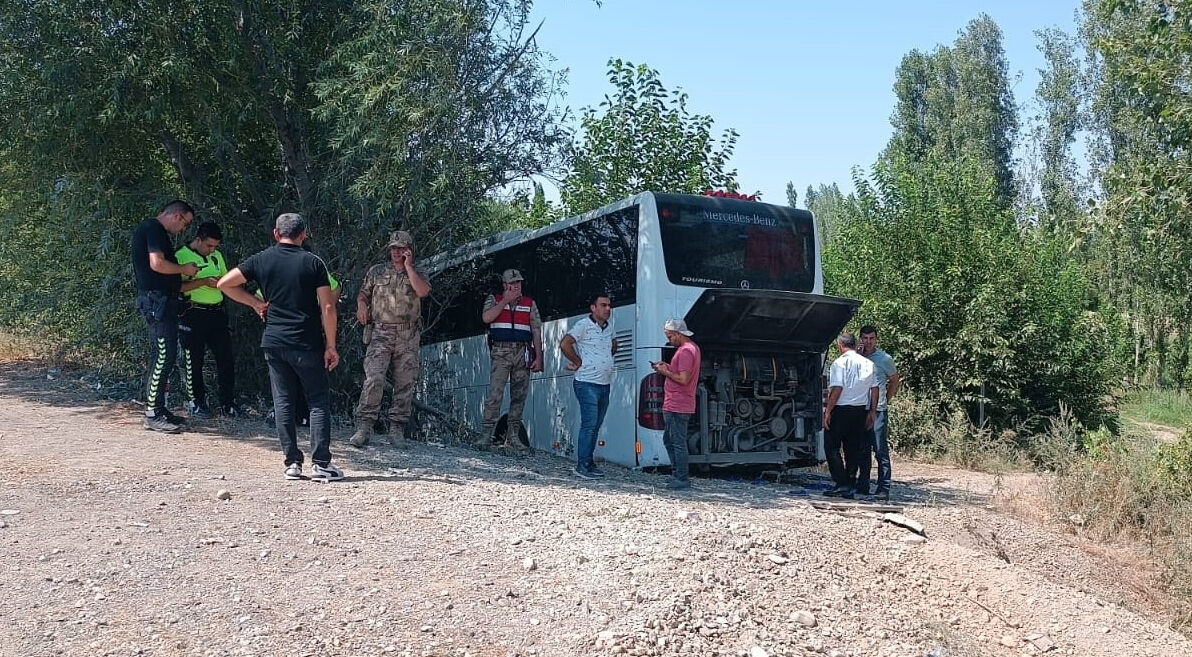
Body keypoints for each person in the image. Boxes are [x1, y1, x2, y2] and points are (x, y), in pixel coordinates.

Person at [217, 213, 344, 482]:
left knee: (283, 401)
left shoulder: (261, 259)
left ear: (276, 233)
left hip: (274, 341)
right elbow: (328, 306)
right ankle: (321, 463)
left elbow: (224, 284)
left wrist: (254, 302)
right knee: (317, 401)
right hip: (306, 342)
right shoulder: (313, 263)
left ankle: (292, 464)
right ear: (303, 235)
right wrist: (331, 345)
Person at [350, 230, 432, 448]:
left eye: (401, 248)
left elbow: (423, 292)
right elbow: (363, 293)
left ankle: (396, 430)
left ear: (409, 250)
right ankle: (364, 427)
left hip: (407, 335)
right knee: (374, 378)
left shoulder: (418, 271)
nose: (396, 252)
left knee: (405, 383)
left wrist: (408, 267)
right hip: (380, 333)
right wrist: (361, 305)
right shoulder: (377, 272)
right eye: (393, 248)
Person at [131, 200, 198, 433]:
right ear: (177, 215)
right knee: (164, 354)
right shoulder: (152, 229)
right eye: (185, 223)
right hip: (155, 302)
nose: (184, 230)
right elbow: (157, 264)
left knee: (161, 354)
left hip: (162, 301)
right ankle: (152, 413)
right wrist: (184, 270)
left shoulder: (155, 231)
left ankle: (158, 408)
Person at [176, 221, 239, 419]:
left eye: (215, 246)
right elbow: (176, 287)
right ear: (198, 239)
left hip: (216, 313)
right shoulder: (181, 256)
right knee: (194, 360)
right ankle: (196, 402)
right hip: (193, 312)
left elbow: (225, 279)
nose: (212, 250)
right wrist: (203, 282)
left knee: (226, 358)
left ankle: (227, 403)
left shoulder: (216, 256)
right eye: (209, 245)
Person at [479, 268, 543, 448]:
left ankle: (513, 436)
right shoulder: (494, 299)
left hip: (522, 351)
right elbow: (486, 318)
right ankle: (485, 435)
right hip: (501, 351)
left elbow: (536, 330)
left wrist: (538, 356)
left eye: (518, 283)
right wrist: (505, 302)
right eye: (512, 283)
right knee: (495, 394)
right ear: (505, 285)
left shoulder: (529, 303)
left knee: (519, 395)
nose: (516, 286)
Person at [559, 294, 618, 479]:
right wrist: (577, 360)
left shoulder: (609, 327)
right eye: (603, 305)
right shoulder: (583, 325)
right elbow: (565, 343)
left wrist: (604, 360)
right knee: (589, 424)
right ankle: (582, 465)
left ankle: (589, 463)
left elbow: (614, 345)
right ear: (593, 308)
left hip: (604, 384)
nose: (607, 308)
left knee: (596, 426)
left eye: (609, 305)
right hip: (586, 383)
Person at [822, 332, 878, 499]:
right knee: (852, 448)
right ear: (855, 344)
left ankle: (841, 483)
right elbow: (875, 389)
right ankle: (851, 480)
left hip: (841, 409)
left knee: (831, 446)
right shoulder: (868, 363)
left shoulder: (839, 364)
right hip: (860, 410)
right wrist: (872, 411)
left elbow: (837, 389)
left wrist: (828, 411)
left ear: (840, 346)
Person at [652, 319, 701, 490]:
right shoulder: (692, 348)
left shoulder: (686, 351)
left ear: (679, 334)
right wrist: (667, 367)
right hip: (681, 402)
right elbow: (681, 373)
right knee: (671, 439)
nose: (669, 340)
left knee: (676, 441)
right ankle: (678, 475)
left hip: (677, 403)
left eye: (670, 336)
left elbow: (683, 379)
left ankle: (681, 478)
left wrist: (665, 372)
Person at [857, 325, 901, 501]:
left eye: (871, 338)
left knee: (880, 449)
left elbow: (894, 380)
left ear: (877, 339)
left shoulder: (884, 359)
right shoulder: (856, 357)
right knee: (862, 449)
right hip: (859, 409)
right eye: (865, 338)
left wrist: (886, 400)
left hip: (878, 410)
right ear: (860, 339)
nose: (868, 342)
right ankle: (863, 484)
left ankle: (884, 487)